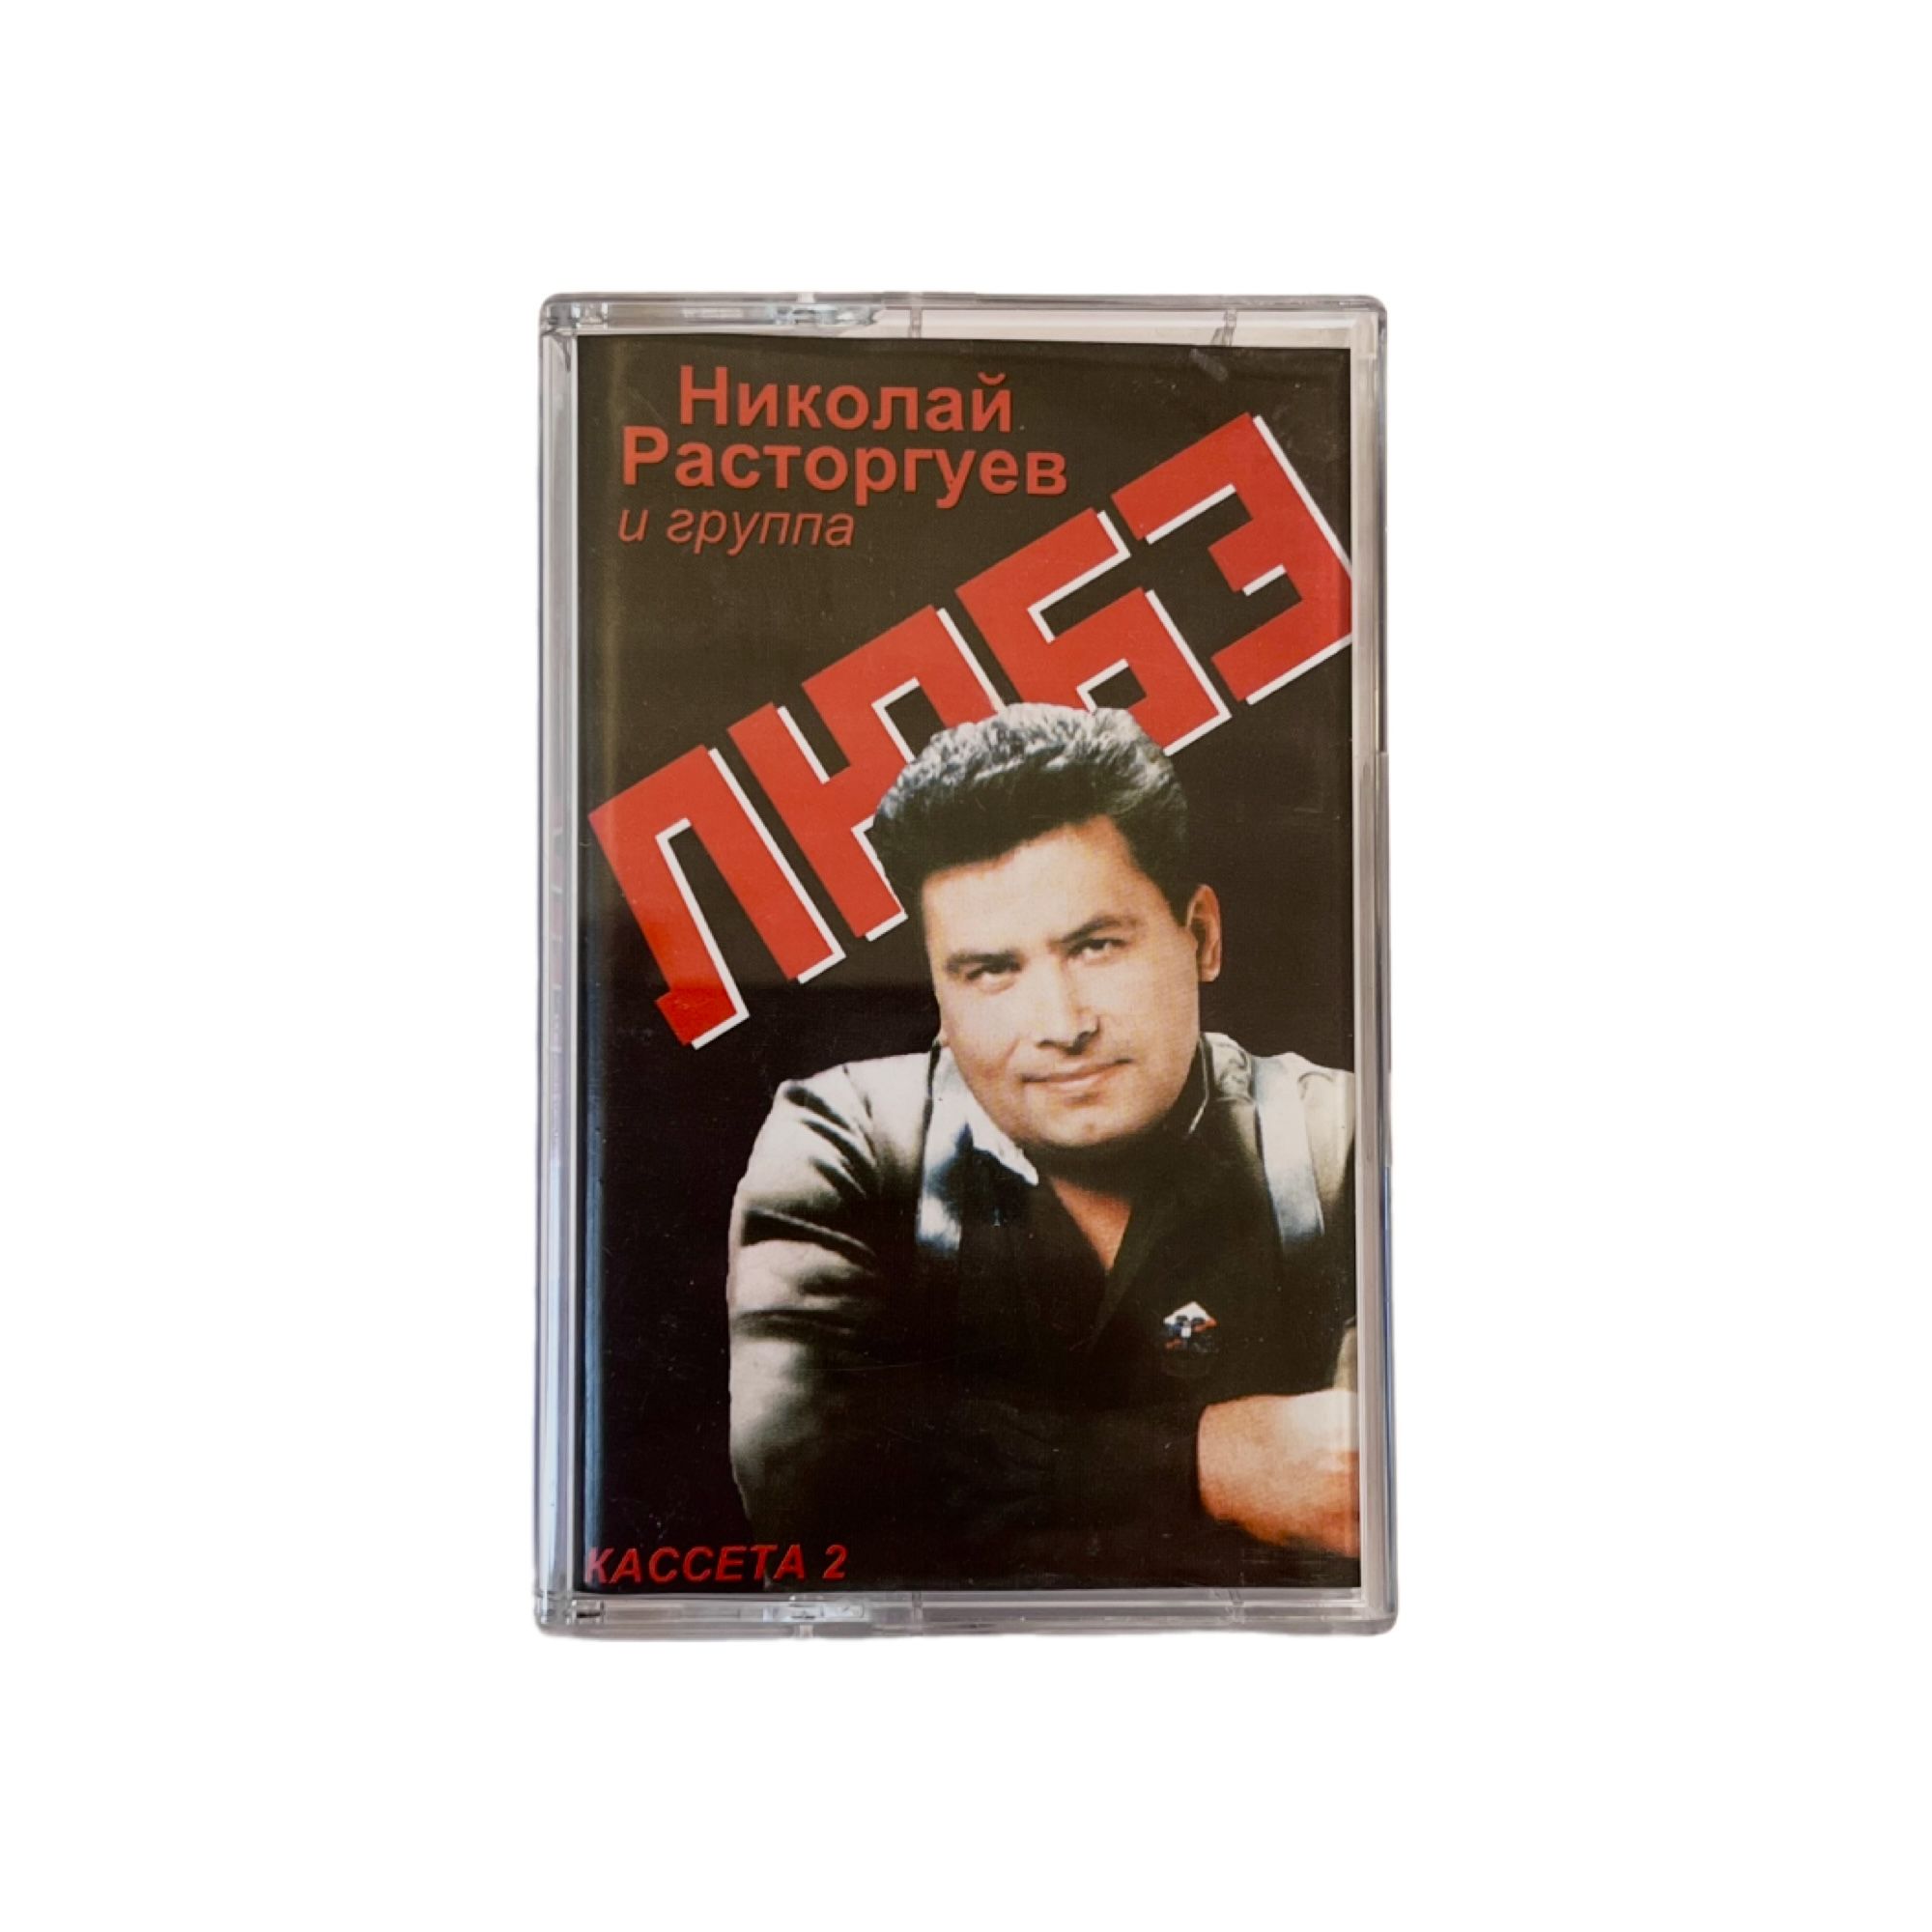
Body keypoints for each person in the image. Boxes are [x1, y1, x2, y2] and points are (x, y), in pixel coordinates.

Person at [726, 704, 1359, 1588]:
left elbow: (1372, 1485)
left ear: (1203, 937)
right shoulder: (852, 1138)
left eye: (1096, 947)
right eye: (991, 970)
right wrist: (1209, 1462)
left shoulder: (1343, 1140)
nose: (1061, 1024)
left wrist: (993, 1474)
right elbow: (806, 1483)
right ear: (938, 985)